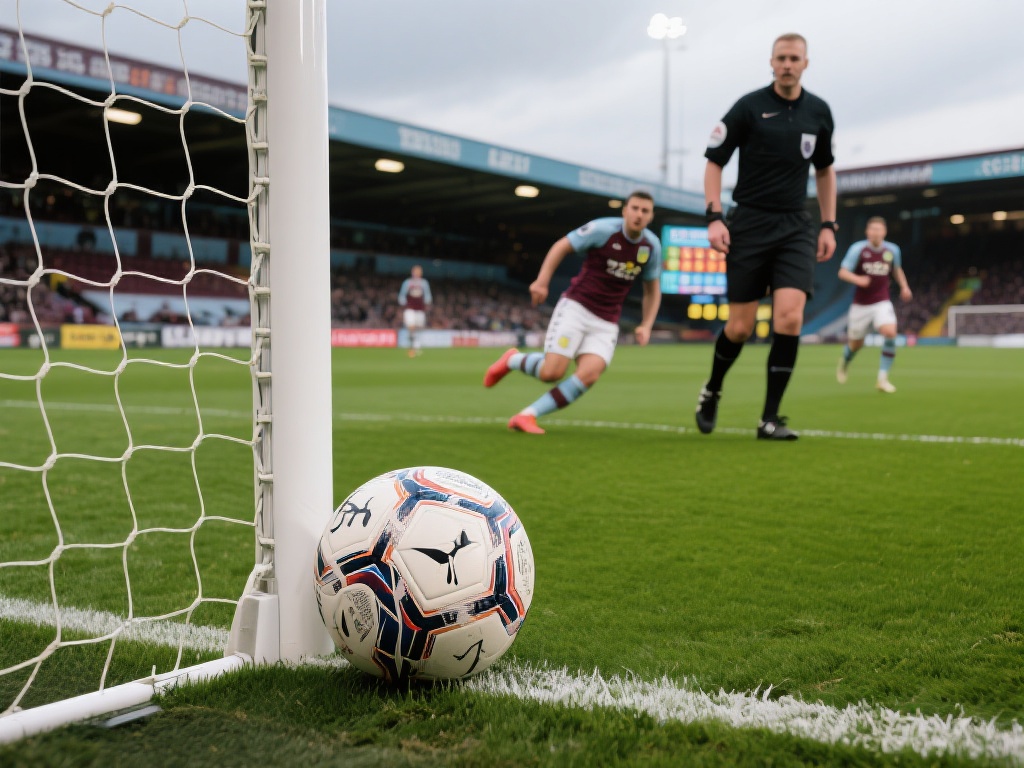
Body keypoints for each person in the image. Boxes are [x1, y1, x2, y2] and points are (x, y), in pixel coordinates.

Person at [696, 32, 837, 441]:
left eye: (795, 58)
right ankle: (712, 389)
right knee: (739, 327)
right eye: (781, 58)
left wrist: (829, 224)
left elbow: (825, 171)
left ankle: (770, 419)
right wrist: (714, 216)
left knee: (790, 317)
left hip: (795, 225)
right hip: (749, 224)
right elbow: (714, 162)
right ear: (771, 63)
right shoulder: (749, 107)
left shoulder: (819, 112)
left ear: (806, 64)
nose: (788, 64)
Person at [483, 191, 662, 434]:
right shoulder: (603, 230)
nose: (639, 214)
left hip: (607, 320)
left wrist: (646, 324)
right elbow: (561, 246)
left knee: (589, 374)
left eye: (645, 211)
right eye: (635, 208)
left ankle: (526, 416)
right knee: (551, 372)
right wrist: (542, 282)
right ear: (625, 210)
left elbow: (652, 289)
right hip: (576, 308)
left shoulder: (651, 247)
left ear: (651, 216)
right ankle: (512, 360)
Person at [836, 216, 912, 393]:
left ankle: (882, 379)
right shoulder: (858, 249)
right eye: (872, 229)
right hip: (860, 305)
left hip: (881, 301)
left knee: (890, 332)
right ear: (867, 232)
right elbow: (842, 272)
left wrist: (904, 286)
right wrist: (859, 279)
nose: (875, 233)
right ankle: (845, 361)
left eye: (879, 229)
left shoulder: (892, 250)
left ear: (884, 232)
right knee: (856, 344)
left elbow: (897, 269)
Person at [398, 265, 432, 357]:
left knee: (418, 327)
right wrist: (403, 302)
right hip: (410, 308)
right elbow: (402, 294)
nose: (417, 273)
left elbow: (427, 294)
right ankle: (413, 346)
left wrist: (427, 301)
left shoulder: (424, 283)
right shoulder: (407, 283)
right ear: (412, 272)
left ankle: (415, 344)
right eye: (415, 271)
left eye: (419, 271)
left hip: (420, 309)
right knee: (411, 325)